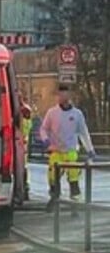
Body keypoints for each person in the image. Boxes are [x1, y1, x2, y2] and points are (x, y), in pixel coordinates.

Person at [40, 84, 96, 213]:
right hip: (56, 151)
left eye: (65, 94)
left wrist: (90, 149)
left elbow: (83, 132)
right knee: (53, 178)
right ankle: (54, 199)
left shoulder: (77, 114)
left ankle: (74, 205)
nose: (62, 97)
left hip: (71, 152)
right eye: (60, 95)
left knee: (73, 178)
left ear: (69, 95)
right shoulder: (52, 113)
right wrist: (45, 140)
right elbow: (44, 128)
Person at [20, 101, 33, 202]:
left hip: (21, 148)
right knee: (24, 169)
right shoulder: (28, 122)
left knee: (22, 170)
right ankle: (25, 191)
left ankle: (24, 190)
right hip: (23, 148)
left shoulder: (23, 122)